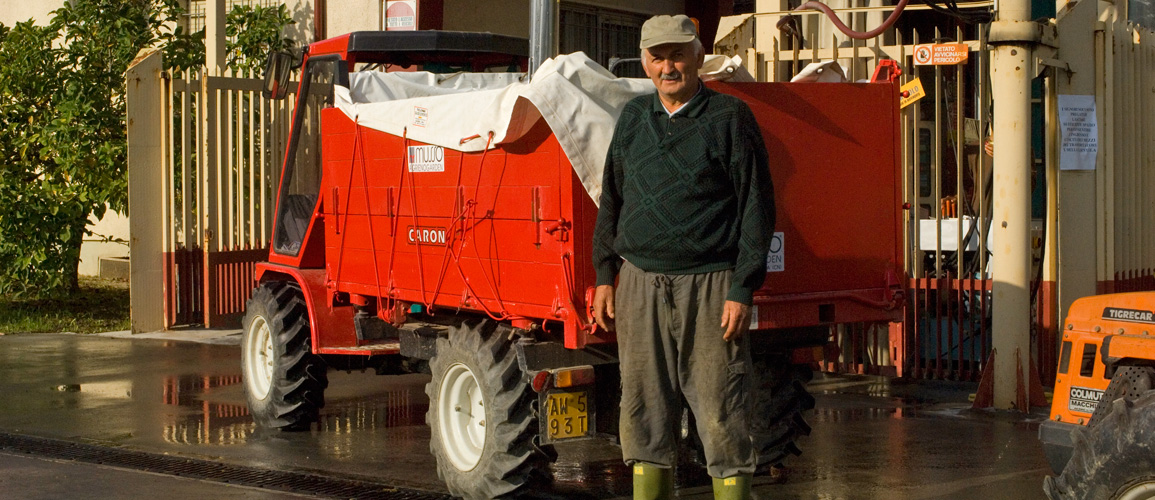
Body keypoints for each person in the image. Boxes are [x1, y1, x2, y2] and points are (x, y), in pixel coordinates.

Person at [591, 14, 775, 500]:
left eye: (677, 54)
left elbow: (757, 207)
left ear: (698, 56)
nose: (668, 65)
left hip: (711, 285)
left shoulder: (730, 119)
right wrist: (605, 275)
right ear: (646, 63)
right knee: (645, 413)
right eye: (658, 56)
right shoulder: (633, 118)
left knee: (722, 412)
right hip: (639, 284)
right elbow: (612, 199)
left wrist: (742, 288)